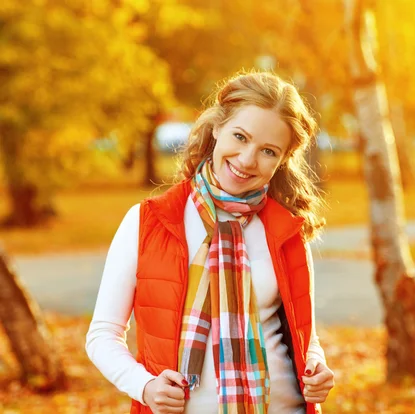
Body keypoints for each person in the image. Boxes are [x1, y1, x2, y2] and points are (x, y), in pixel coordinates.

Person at [86, 71, 335, 414]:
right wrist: (144, 386)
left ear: (281, 160)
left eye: (267, 150)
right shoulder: (148, 222)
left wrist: (316, 368)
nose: (247, 160)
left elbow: (303, 337)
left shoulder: (287, 230)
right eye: (240, 136)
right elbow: (102, 335)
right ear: (217, 128)